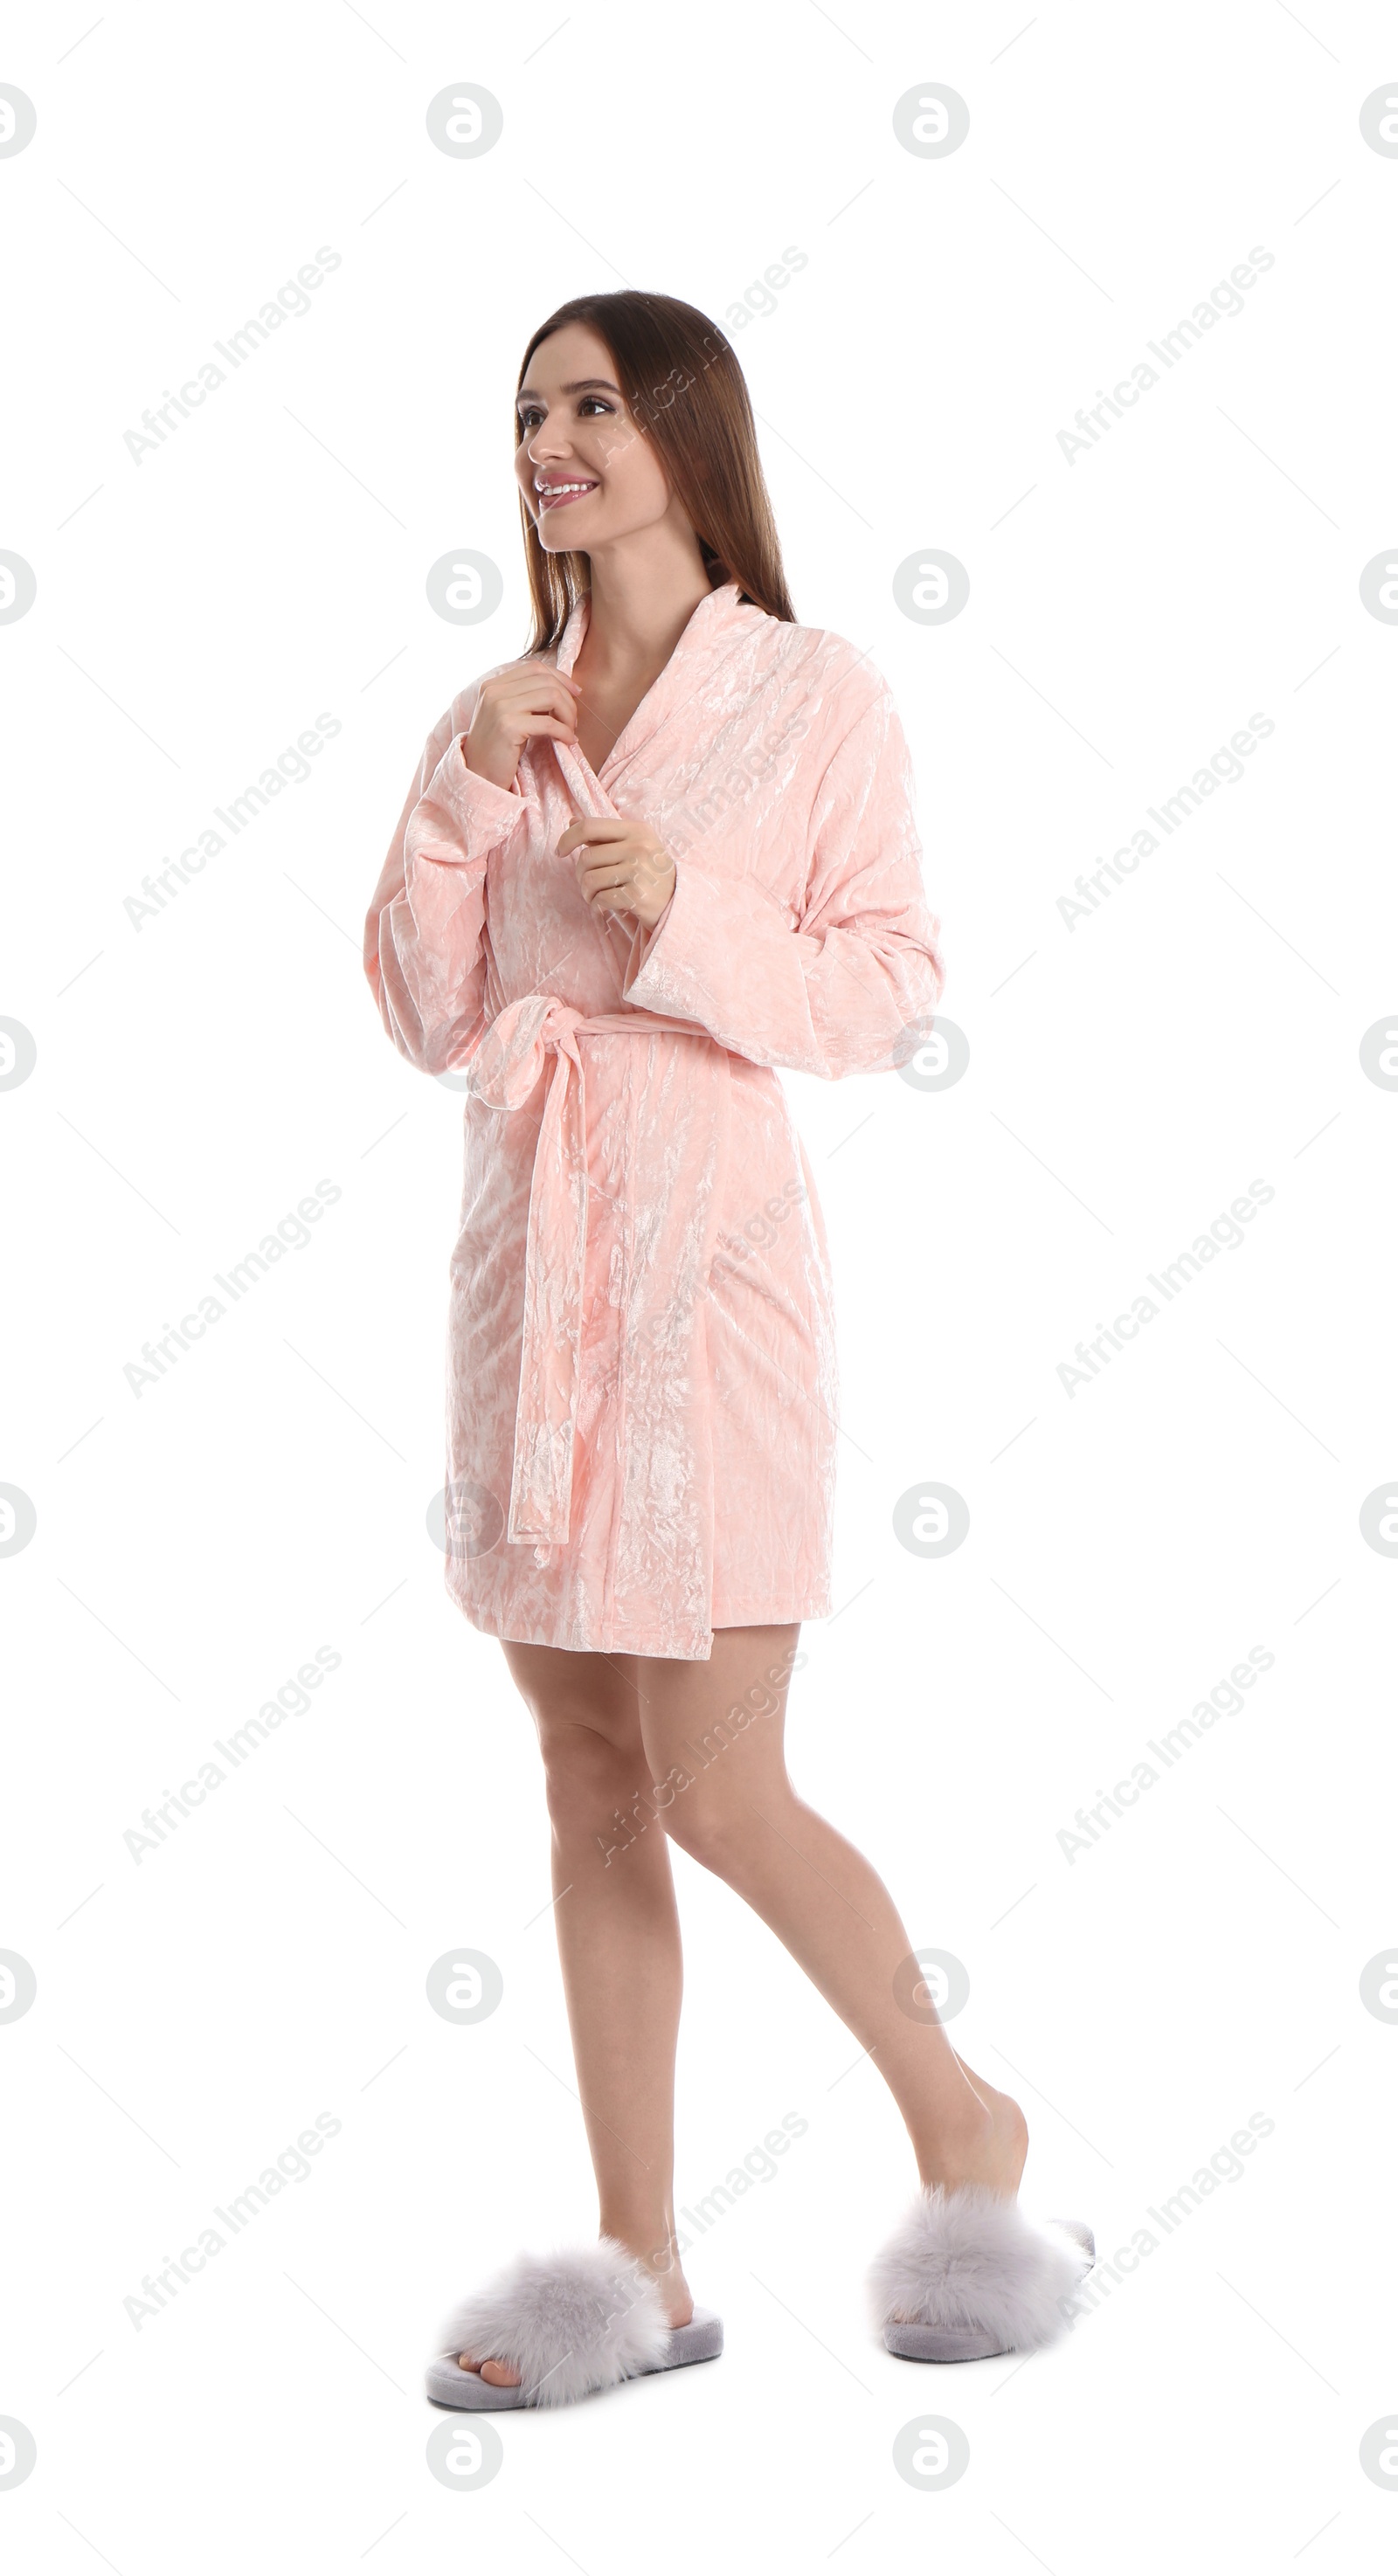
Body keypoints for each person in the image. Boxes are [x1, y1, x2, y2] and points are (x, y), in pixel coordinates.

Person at [363, 291, 1092, 2411]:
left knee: (714, 1776)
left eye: (591, 402)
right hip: (530, 1271)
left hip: (709, 1278)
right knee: (584, 1773)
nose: (551, 442)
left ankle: (965, 2124)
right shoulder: (504, 712)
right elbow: (424, 1013)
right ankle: (638, 2258)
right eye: (525, 413)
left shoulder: (817, 693)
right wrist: (450, 797)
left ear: (687, 430)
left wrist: (682, 902)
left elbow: (884, 994)